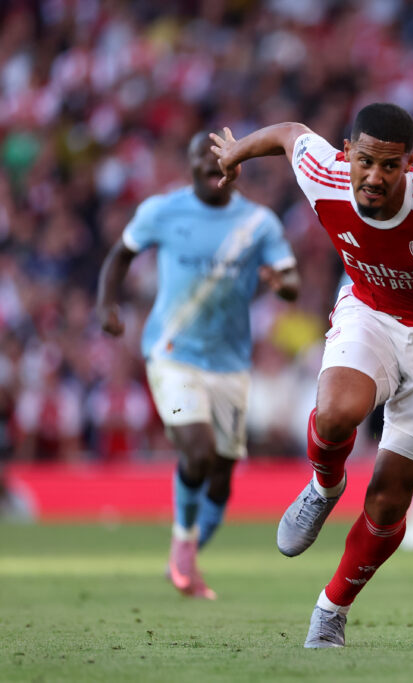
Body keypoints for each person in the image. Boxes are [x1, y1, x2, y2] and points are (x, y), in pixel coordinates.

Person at [209, 101, 413, 648]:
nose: (375, 177)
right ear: (347, 153)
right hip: (371, 311)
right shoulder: (324, 173)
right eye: (366, 162)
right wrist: (237, 152)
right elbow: (290, 133)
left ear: (410, 164)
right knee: (335, 413)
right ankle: (324, 486)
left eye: (391, 166)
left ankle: (331, 609)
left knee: (389, 498)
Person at [96, 132, 301, 600]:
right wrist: (107, 305)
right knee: (199, 450)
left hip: (229, 363)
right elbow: (121, 255)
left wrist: (280, 283)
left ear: (236, 166)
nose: (212, 169)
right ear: (189, 167)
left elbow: (290, 279)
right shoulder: (162, 211)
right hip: (172, 354)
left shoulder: (258, 224)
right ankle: (183, 546)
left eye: (220, 162)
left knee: (223, 473)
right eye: (201, 161)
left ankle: (185, 554)